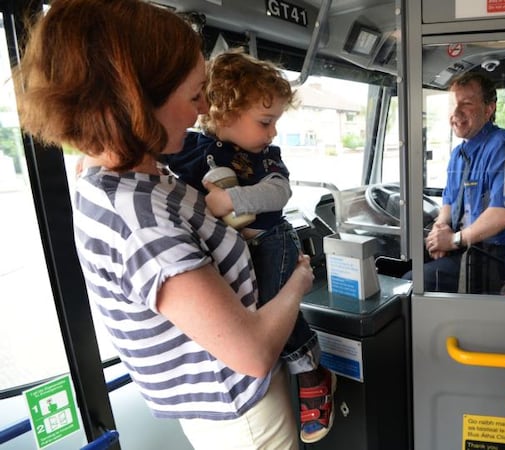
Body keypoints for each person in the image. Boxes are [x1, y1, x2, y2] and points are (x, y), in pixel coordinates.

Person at [15, 1, 313, 449]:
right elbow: (250, 353)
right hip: (241, 414)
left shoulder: (136, 175)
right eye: (195, 96)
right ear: (137, 100)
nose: (204, 111)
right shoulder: (141, 219)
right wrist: (298, 282)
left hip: (226, 404)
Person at [164, 48, 335, 444]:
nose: (272, 132)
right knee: (251, 313)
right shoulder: (188, 147)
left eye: (274, 122)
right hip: (229, 253)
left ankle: (311, 372)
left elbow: (279, 191)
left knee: (277, 308)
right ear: (222, 114)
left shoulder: (265, 159)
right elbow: (144, 148)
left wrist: (233, 201)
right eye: (265, 122)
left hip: (272, 242)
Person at [405, 72, 505, 293]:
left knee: (411, 284)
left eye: (466, 103)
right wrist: (438, 233)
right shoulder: (458, 153)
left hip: (496, 258)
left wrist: (453, 239)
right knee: (401, 264)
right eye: (453, 105)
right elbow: (449, 202)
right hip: (466, 248)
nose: (455, 113)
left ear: (489, 108)